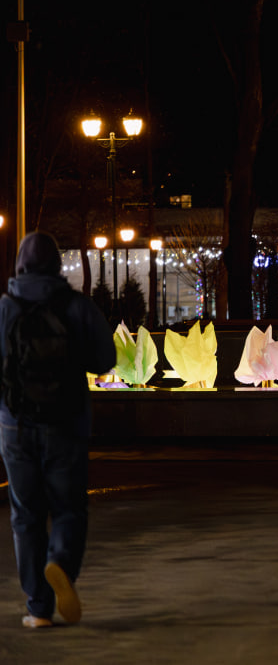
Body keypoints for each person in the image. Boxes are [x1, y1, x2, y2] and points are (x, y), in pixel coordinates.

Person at [0, 232, 115, 628]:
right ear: (56, 265)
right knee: (69, 507)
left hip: (15, 424)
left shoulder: (5, 308)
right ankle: (61, 562)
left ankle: (38, 609)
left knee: (25, 515)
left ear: (20, 265)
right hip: (67, 422)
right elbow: (105, 359)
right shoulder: (77, 306)